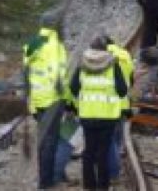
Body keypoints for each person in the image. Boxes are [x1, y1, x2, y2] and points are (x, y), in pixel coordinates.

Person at [70, 36, 128, 191]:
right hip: (107, 117)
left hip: (88, 115)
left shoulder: (82, 64)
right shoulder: (113, 64)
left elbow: (73, 87)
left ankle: (89, 186)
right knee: (103, 152)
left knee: (88, 151)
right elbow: (122, 90)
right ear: (105, 49)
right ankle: (103, 186)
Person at [23, 10, 69, 190]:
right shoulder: (55, 45)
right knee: (51, 140)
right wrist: (66, 99)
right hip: (53, 101)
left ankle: (49, 176)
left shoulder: (32, 43)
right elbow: (58, 76)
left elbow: (26, 74)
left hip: (37, 100)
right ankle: (46, 181)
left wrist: (30, 101)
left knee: (45, 140)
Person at [104, 34, 135, 182]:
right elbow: (131, 79)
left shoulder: (102, 56)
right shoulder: (124, 54)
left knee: (109, 141)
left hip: (108, 104)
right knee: (117, 139)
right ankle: (115, 168)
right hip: (123, 103)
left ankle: (113, 172)